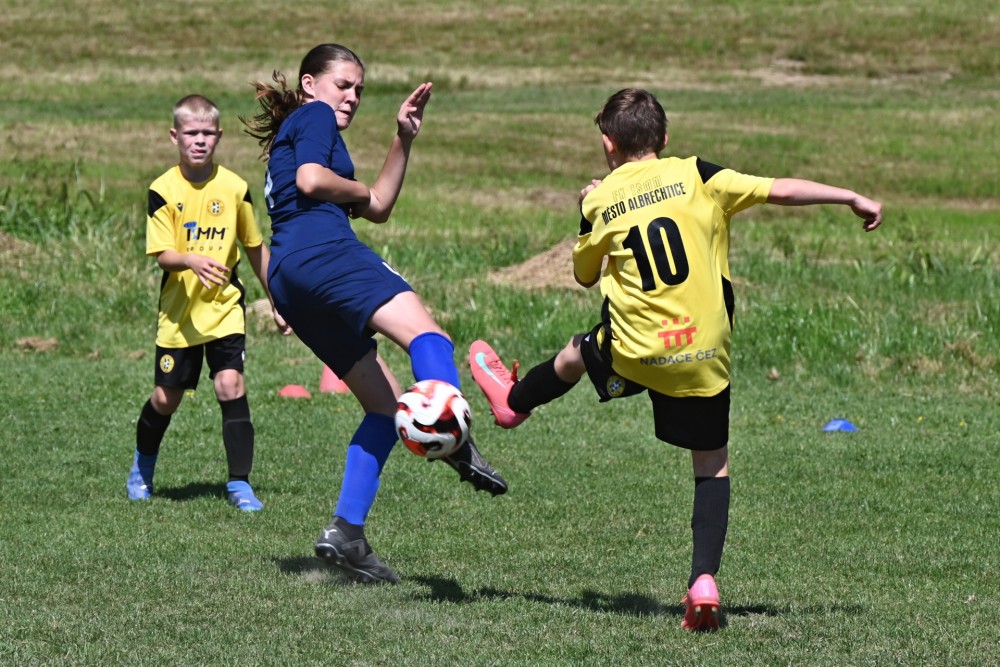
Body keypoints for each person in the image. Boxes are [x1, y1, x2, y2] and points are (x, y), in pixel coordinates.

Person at [469, 88, 883, 630]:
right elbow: (779, 189)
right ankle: (703, 581)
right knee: (711, 463)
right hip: (702, 354)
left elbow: (584, 275)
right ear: (664, 138)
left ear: (607, 143)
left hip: (637, 353)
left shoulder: (601, 199)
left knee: (580, 350)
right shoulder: (697, 175)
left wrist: (586, 213)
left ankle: (513, 403)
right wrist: (851, 196)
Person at [241, 43, 507, 584]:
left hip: (290, 277)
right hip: (325, 253)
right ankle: (456, 438)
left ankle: (347, 532)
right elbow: (311, 181)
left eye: (359, 89)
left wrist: (402, 137)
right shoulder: (314, 117)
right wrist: (356, 190)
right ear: (310, 84)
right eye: (344, 84)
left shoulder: (306, 131)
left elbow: (378, 206)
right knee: (430, 338)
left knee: (385, 409)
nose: (353, 97)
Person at [126, 94, 290, 512]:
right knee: (166, 398)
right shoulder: (162, 189)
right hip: (179, 313)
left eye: (207, 133)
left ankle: (239, 484)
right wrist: (191, 260)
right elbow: (162, 255)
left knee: (230, 384)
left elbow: (255, 248)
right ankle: (142, 468)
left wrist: (278, 300)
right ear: (174, 136)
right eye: (191, 133)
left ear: (219, 136)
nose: (199, 140)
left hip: (224, 308)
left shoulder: (234, 188)